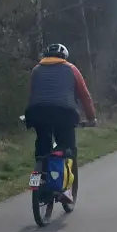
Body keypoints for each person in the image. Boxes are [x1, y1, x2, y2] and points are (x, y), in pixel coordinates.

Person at [23, 43, 97, 204]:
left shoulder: (36, 70)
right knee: (68, 149)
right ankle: (67, 190)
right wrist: (91, 119)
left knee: (42, 147)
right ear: (64, 56)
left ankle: (37, 181)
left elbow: (31, 95)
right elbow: (85, 97)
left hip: (36, 112)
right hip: (64, 113)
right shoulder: (71, 69)